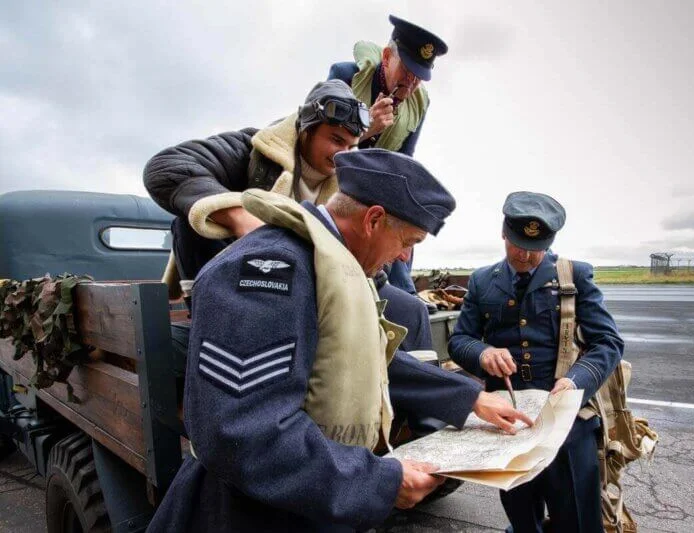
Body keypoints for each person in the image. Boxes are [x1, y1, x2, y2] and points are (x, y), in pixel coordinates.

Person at [146, 149, 533, 532]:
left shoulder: (335, 265)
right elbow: (243, 433)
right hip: (250, 515)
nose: (403, 258)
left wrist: (469, 397)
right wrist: (379, 482)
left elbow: (361, 359)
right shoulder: (272, 271)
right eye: (408, 240)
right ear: (374, 219)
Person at [143, 79, 431, 351]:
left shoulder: (349, 182)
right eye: (335, 139)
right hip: (246, 288)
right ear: (306, 129)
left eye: (350, 146)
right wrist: (243, 218)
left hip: (314, 287)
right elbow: (166, 167)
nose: (342, 154)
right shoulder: (253, 150)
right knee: (194, 217)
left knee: (412, 311)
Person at [448, 192, 624, 533]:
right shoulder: (483, 280)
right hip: (508, 421)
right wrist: (482, 353)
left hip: (566, 420)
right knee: (521, 516)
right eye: (517, 245)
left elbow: (608, 342)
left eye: (536, 246)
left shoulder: (575, 276)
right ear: (503, 233)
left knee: (578, 521)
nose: (525, 255)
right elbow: (459, 340)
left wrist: (575, 382)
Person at [328, 14, 448, 293]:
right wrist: (364, 128)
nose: (412, 82)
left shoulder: (418, 104)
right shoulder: (345, 75)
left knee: (403, 216)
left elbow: (404, 162)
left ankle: (403, 293)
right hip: (335, 179)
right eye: (406, 70)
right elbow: (322, 141)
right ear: (385, 57)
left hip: (378, 186)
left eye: (420, 76)